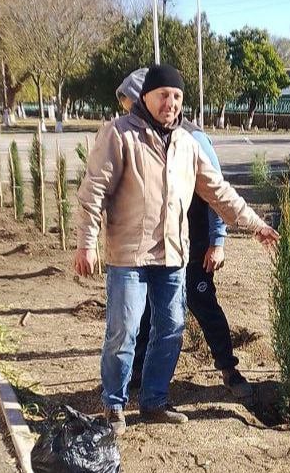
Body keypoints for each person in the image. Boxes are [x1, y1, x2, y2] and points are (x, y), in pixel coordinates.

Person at [75, 63, 278, 435]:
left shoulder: (187, 143)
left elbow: (219, 192)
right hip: (129, 256)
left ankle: (153, 401)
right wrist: (87, 242)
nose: (171, 102)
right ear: (146, 97)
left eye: (178, 96)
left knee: (170, 328)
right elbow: (93, 193)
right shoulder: (119, 135)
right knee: (124, 330)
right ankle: (114, 405)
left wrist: (256, 224)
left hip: (172, 256)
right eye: (164, 95)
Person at [115, 68, 251, 399]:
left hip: (197, 238)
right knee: (149, 308)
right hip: (162, 242)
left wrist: (217, 242)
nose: (130, 113)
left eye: (130, 104)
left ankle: (229, 370)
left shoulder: (193, 138)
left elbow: (216, 193)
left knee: (202, 302)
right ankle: (139, 374)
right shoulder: (144, 135)